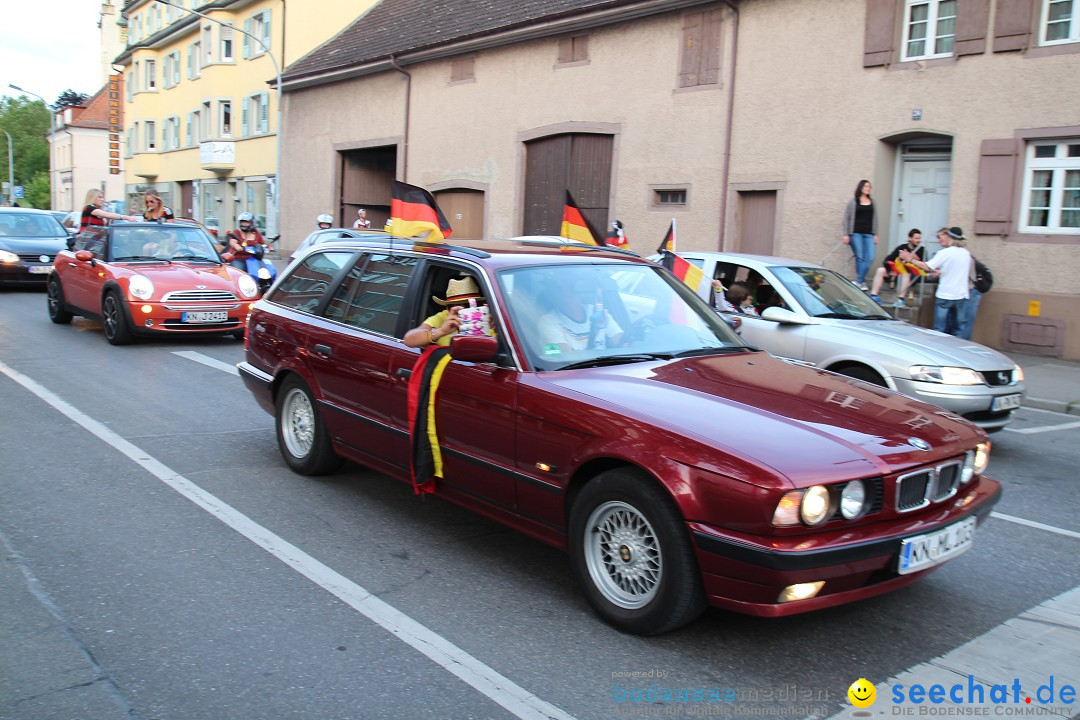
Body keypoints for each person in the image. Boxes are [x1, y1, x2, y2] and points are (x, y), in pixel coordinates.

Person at [900, 227, 972, 337]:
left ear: (949, 237)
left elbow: (926, 266)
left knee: (939, 330)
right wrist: (941, 272)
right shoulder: (966, 253)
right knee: (958, 330)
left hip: (945, 295)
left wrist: (909, 259)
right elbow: (957, 270)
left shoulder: (945, 252)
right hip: (961, 296)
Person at [538, 278, 623, 353]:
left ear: (580, 291)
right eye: (559, 289)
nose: (565, 294)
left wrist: (629, 342)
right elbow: (567, 358)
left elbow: (620, 341)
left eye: (570, 288)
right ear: (554, 294)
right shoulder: (549, 321)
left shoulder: (598, 312)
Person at [403, 277, 493, 347]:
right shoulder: (443, 318)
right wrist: (441, 331)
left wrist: (498, 328)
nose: (464, 310)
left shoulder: (490, 316)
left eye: (469, 305)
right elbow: (409, 339)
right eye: (457, 306)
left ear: (480, 304)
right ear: (448, 308)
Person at [869, 229, 926, 307]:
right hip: (897, 274)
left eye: (919, 238)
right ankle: (874, 296)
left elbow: (925, 265)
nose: (918, 240)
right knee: (880, 270)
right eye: (916, 238)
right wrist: (891, 270)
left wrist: (913, 257)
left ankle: (901, 300)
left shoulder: (921, 250)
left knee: (906, 273)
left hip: (913, 275)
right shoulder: (902, 247)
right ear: (910, 238)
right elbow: (887, 259)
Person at [841, 179, 878, 290]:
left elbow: (875, 219)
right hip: (856, 233)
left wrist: (875, 234)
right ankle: (861, 282)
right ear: (861, 187)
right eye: (866, 186)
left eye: (869, 187)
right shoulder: (853, 202)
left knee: (870, 257)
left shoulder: (872, 202)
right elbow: (846, 219)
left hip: (869, 234)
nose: (868, 188)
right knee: (860, 258)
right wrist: (846, 234)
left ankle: (859, 281)